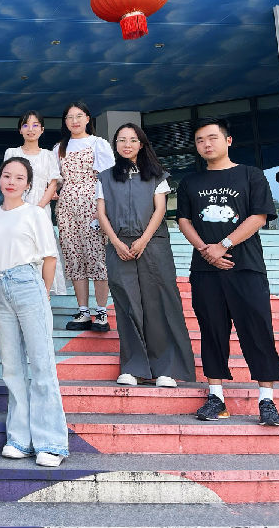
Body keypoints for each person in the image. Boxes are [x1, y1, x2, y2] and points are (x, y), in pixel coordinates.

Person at [176, 117, 279, 426]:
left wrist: (223, 244)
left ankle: (267, 400)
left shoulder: (251, 175)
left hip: (246, 266)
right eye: (200, 140)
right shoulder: (190, 182)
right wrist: (206, 250)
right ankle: (216, 397)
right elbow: (184, 220)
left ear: (228, 140)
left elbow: (259, 216)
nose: (206, 144)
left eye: (212, 138)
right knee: (212, 331)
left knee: (258, 330)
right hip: (205, 270)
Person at [96, 123, 195, 388]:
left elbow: (160, 209)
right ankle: (132, 367)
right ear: (115, 145)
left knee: (158, 303)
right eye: (121, 140)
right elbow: (101, 213)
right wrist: (115, 242)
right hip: (119, 245)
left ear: (141, 144)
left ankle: (165, 369)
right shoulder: (105, 177)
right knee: (127, 305)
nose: (127, 144)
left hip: (152, 245)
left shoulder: (156, 175)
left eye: (132, 140)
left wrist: (143, 240)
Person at [0, 157, 68, 467]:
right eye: (7, 175)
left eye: (19, 178)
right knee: (11, 367)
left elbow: (50, 258)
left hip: (28, 284)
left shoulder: (35, 213)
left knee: (42, 364)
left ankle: (51, 443)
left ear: (28, 184)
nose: (12, 182)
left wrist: (43, 294)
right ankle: (19, 438)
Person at [53, 101, 114, 331]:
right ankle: (83, 311)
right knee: (74, 256)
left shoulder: (98, 144)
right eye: (70, 117)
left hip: (93, 202)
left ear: (88, 118)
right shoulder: (59, 148)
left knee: (97, 256)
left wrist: (103, 210)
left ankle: (101, 312)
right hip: (67, 206)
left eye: (79, 116)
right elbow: (55, 179)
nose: (75, 121)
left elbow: (108, 178)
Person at [3, 110, 66, 295]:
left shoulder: (48, 155)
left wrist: (37, 208)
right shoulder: (12, 152)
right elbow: (7, 180)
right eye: (25, 125)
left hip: (40, 209)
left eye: (35, 125)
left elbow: (53, 183)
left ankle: (44, 292)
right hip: (15, 209)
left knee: (42, 250)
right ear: (20, 130)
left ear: (42, 129)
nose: (30, 129)